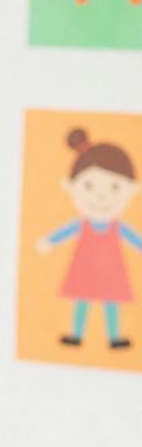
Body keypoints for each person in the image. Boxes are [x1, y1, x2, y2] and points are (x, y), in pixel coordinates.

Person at [37, 127, 142, 353]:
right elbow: (66, 231)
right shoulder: (83, 225)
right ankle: (76, 334)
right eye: (89, 186)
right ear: (71, 187)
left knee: (111, 303)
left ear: (132, 190)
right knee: (81, 300)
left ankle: (114, 337)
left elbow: (133, 238)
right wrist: (50, 241)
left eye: (115, 187)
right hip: (85, 269)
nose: (101, 196)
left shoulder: (116, 227)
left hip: (111, 271)